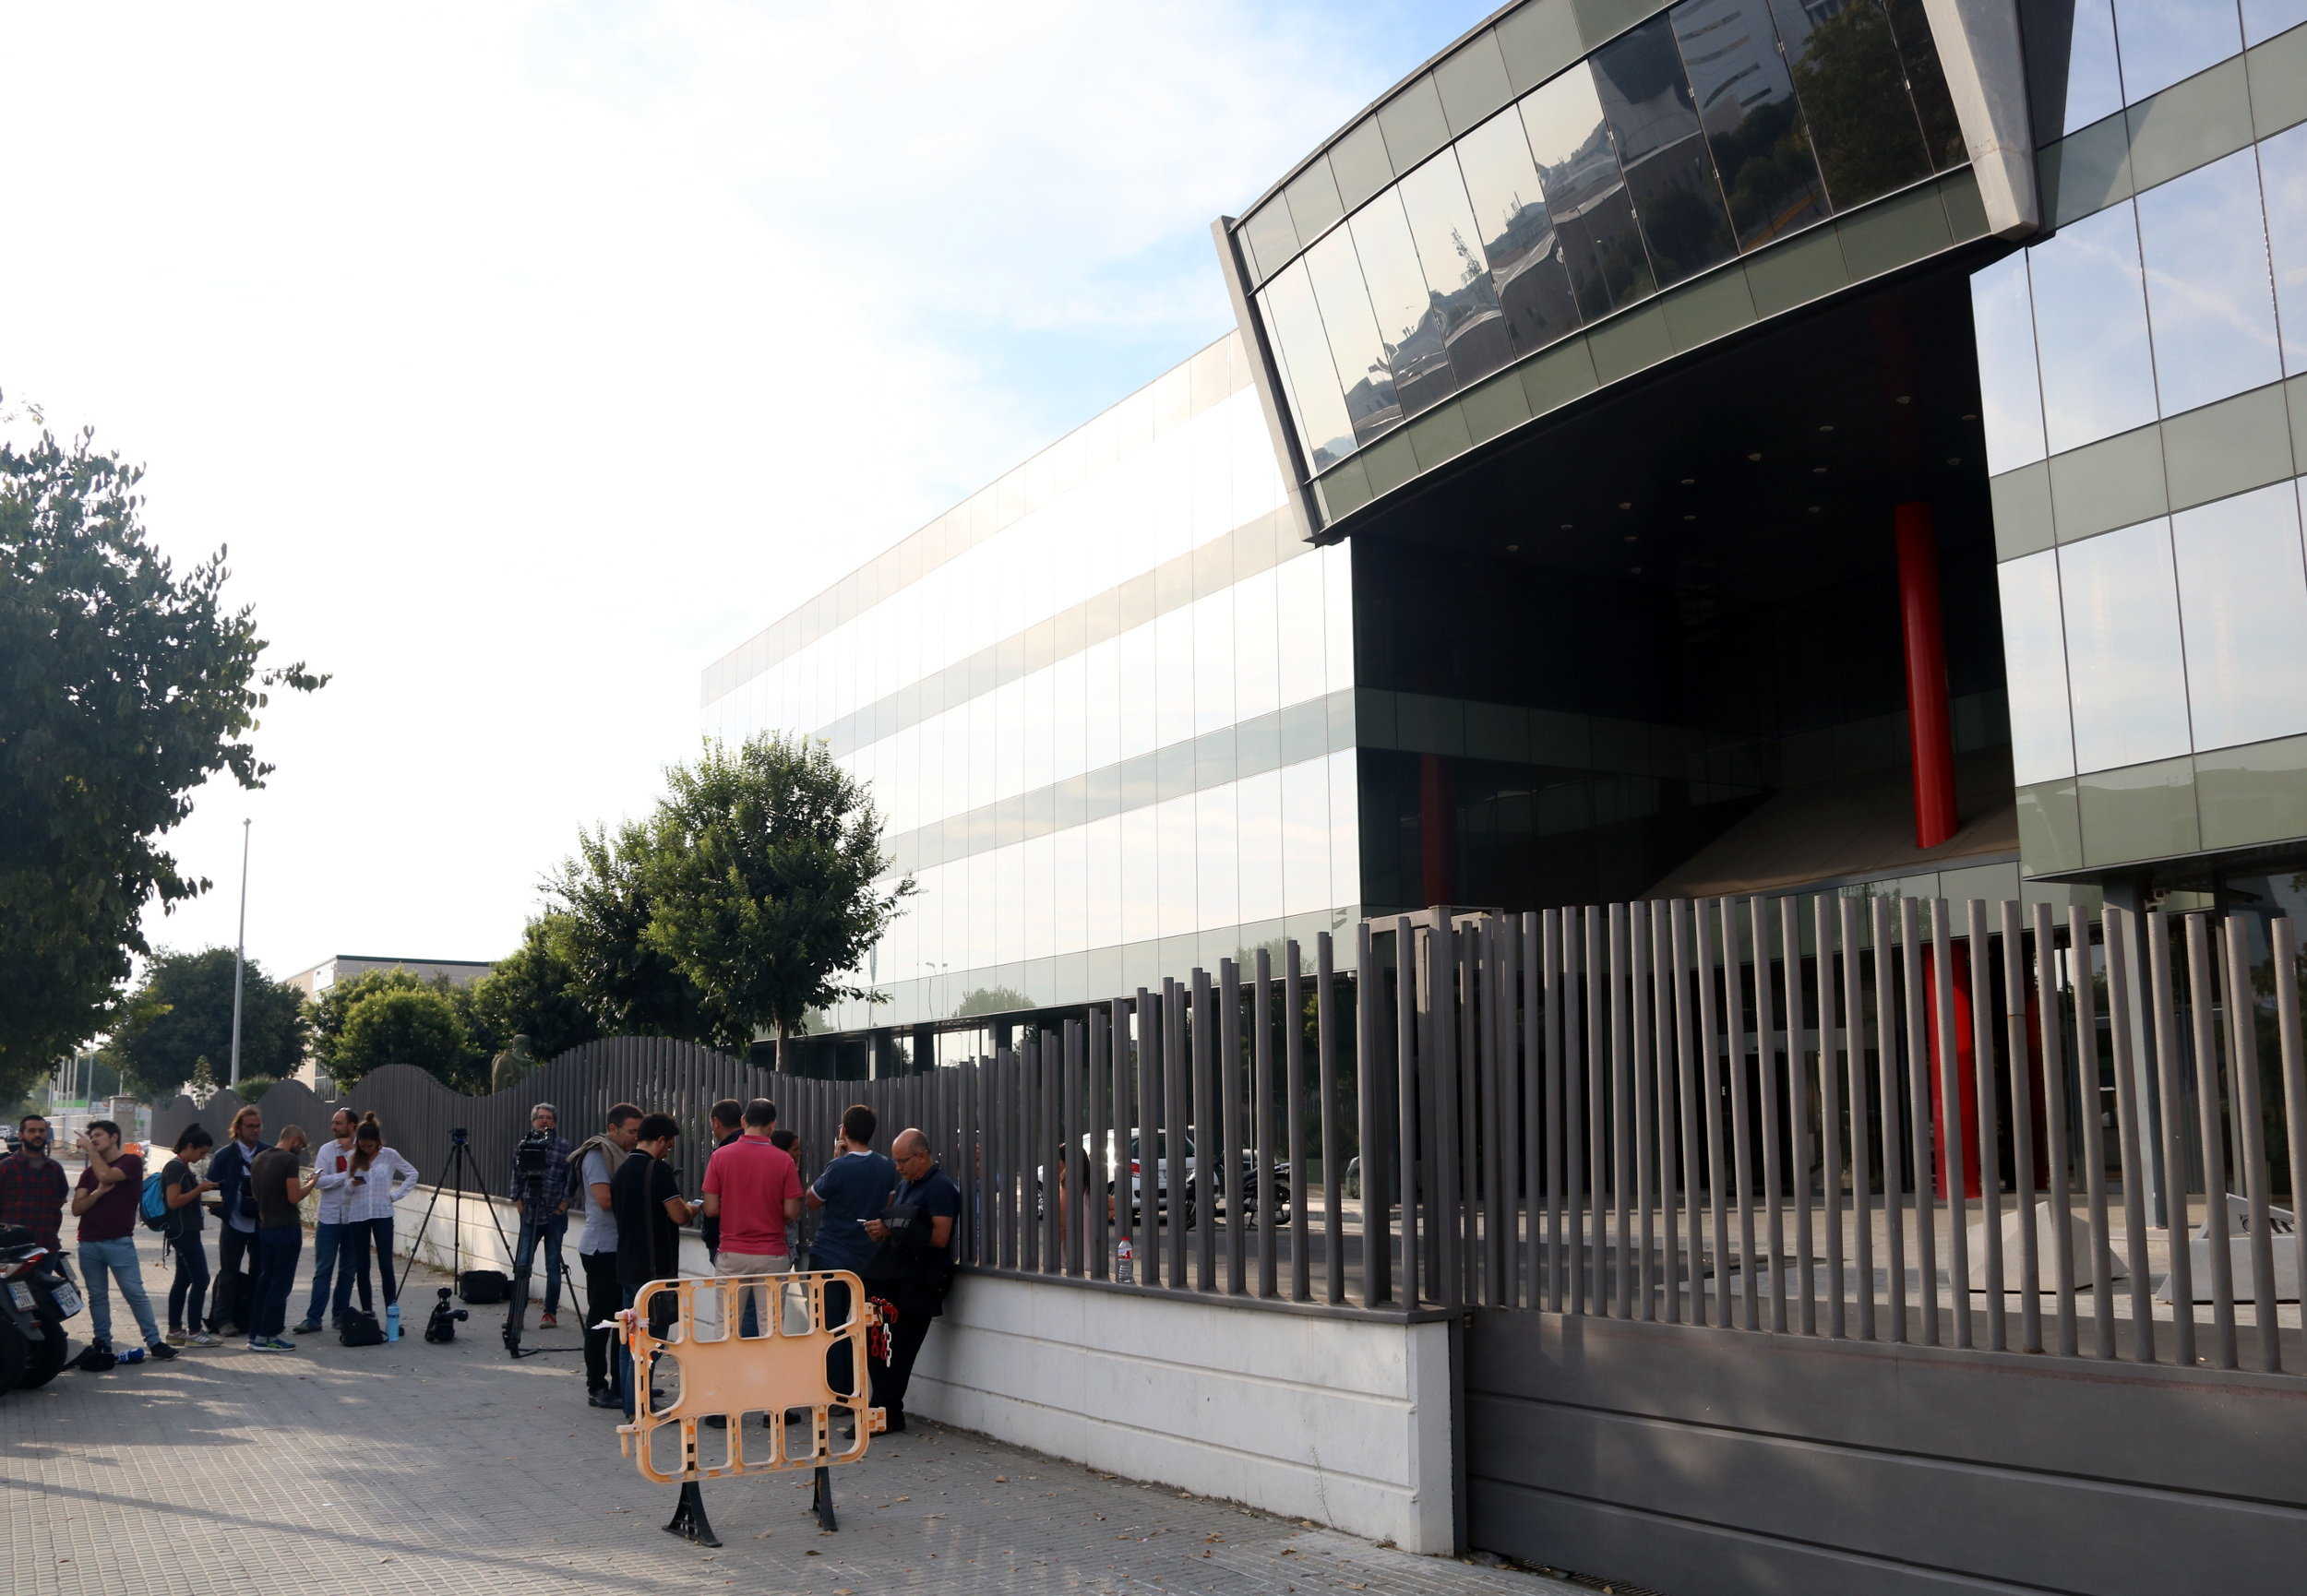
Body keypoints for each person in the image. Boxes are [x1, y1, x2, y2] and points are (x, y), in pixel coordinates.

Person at [863, 1128, 962, 1433]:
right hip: (891, 1281)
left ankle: (885, 1413)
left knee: (898, 1352)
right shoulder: (908, 1184)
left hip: (918, 1284)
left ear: (922, 1156)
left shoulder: (941, 1188)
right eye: (896, 1161)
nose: (898, 1167)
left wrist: (891, 1230)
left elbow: (940, 1236)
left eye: (903, 1161)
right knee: (879, 1349)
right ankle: (883, 1412)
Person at [611, 1114, 698, 1417]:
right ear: (660, 1140)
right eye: (669, 1145)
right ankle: (640, 1406)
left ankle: (630, 1403)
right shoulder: (657, 1170)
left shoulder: (622, 1170)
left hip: (627, 1263)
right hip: (653, 1270)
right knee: (653, 1338)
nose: (668, 1151)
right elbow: (678, 1215)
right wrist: (693, 1208)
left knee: (630, 1339)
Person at [806, 1103, 895, 1395]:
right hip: (868, 1257)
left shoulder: (839, 1167)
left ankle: (837, 1388)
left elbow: (812, 1200)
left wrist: (834, 1160)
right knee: (862, 1323)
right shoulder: (886, 1167)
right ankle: (862, 1388)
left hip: (830, 1255)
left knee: (829, 1325)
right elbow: (890, 1206)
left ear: (843, 1131)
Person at [70, 1120, 176, 1363]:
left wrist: (90, 1152)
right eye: (91, 1137)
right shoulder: (88, 1174)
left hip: (119, 1242)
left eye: (98, 1135)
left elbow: (106, 1175)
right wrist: (97, 1193)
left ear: (114, 1137)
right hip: (88, 1242)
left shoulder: (130, 1162)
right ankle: (102, 1342)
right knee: (98, 1296)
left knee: (134, 1292)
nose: (93, 1140)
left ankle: (154, 1342)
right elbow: (77, 1208)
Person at [700, 1098, 801, 1340]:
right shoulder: (784, 1160)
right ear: (772, 1126)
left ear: (744, 1121)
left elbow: (711, 1208)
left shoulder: (720, 1157)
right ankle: (767, 1378)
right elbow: (791, 1211)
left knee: (728, 1329)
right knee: (772, 1330)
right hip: (772, 1254)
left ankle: (730, 1378)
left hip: (732, 1253)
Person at [571, 1103, 641, 1408]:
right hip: (601, 1249)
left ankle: (623, 1383)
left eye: (639, 1132)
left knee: (623, 1321)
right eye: (631, 1132)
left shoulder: (623, 1155)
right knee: (601, 1322)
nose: (636, 1138)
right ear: (612, 1129)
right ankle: (596, 1386)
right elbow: (604, 1199)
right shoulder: (598, 1154)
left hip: (621, 1248)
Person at [333, 1114, 418, 1328]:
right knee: (362, 1266)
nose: (367, 1149)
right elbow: (344, 1193)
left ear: (377, 1142)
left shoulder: (389, 1155)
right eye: (363, 1145)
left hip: (382, 1214)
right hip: (358, 1215)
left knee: (386, 1266)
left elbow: (412, 1174)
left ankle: (392, 1314)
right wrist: (352, 1183)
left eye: (370, 1145)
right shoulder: (353, 1156)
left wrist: (395, 1195)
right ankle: (368, 1314)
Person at [245, 1125, 316, 1352]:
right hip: (286, 1227)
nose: (300, 1150)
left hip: (265, 1227)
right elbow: (293, 1196)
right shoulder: (288, 1161)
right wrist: (311, 1184)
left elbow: (255, 1194)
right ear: (294, 1139)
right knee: (281, 1283)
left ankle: (256, 1332)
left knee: (265, 1281)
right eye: (301, 1145)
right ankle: (270, 1335)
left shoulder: (259, 1158)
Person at [293, 1108, 360, 1334]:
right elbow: (319, 1182)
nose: (333, 1127)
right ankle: (313, 1318)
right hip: (329, 1218)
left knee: (348, 1271)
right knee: (323, 1269)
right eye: (333, 1123)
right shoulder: (326, 1150)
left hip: (355, 1219)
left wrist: (344, 1177)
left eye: (339, 1123)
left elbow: (368, 1180)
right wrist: (348, 1175)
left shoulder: (363, 1149)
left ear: (352, 1126)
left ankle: (340, 1316)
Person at [508, 1102, 573, 1329]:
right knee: (523, 1263)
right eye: (540, 1118)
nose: (545, 1121)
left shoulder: (564, 1147)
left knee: (553, 1266)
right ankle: (517, 1314)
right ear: (533, 1120)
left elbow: (570, 1178)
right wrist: (517, 1200)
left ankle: (550, 1313)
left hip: (554, 1213)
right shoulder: (524, 1145)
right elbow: (516, 1174)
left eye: (549, 1118)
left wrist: (563, 1205)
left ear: (555, 1122)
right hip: (530, 1213)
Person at [205, 1105, 269, 1335]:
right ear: (238, 1128)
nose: (255, 1130)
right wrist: (222, 1211)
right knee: (229, 1272)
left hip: (261, 1224)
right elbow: (210, 1188)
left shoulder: (267, 1153)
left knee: (260, 1271)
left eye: (258, 1126)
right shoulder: (225, 1155)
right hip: (233, 1223)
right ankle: (223, 1321)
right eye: (250, 1126)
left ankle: (255, 1318)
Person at [158, 1126, 221, 1347]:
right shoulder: (175, 1168)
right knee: (201, 1278)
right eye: (201, 1152)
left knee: (183, 1280)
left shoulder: (182, 1167)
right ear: (190, 1146)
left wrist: (203, 1194)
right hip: (183, 1232)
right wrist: (199, 1190)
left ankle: (175, 1331)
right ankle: (194, 1331)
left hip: (186, 1230)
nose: (202, 1157)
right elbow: (173, 1201)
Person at [0, 1114, 69, 1255]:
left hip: (47, 1244)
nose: (37, 1134)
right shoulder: (5, 1167)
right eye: (31, 1131)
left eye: (41, 1131)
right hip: (11, 1248)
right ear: (20, 1135)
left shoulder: (55, 1168)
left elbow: (60, 1200)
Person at [699, 1099, 743, 1265]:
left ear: (716, 1122)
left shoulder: (721, 1155)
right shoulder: (764, 1149)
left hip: (725, 1238)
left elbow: (712, 1208)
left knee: (731, 1290)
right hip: (763, 1242)